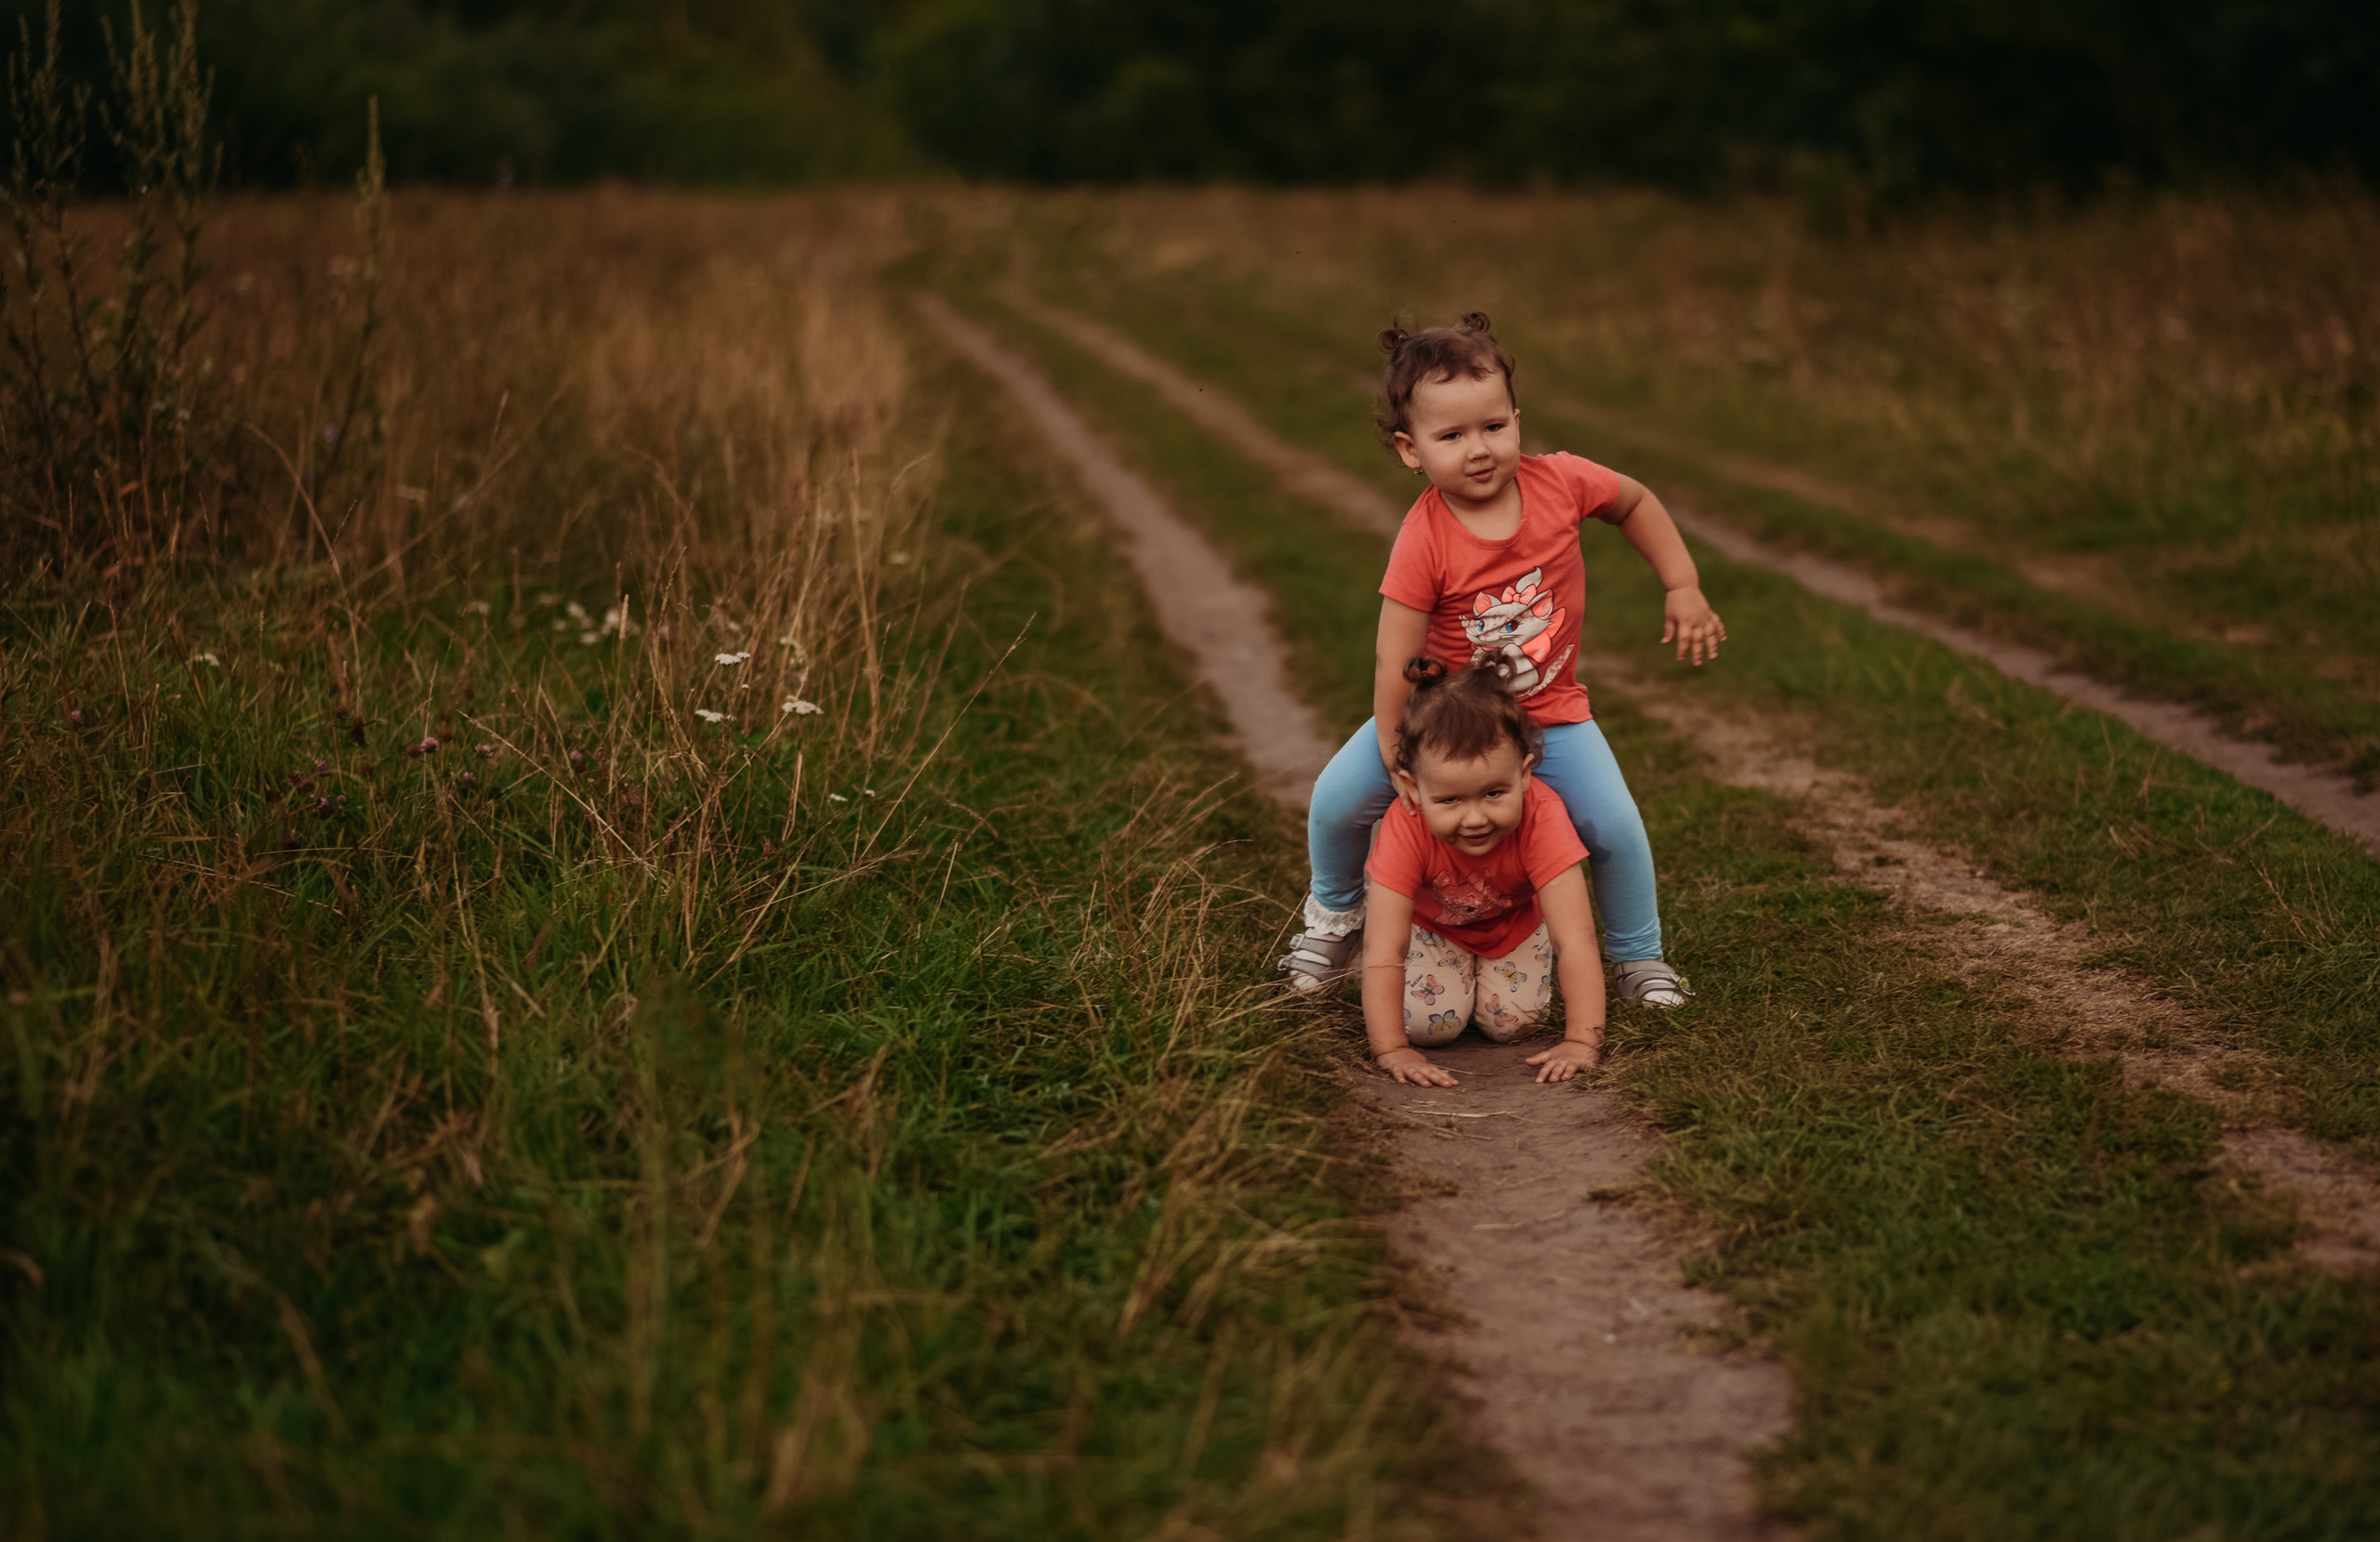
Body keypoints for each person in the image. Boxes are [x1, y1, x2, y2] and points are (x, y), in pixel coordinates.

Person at [1280, 311, 1725, 1008]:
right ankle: (1336, 917)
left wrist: (1683, 583)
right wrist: (1400, 750)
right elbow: (1394, 656)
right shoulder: (1424, 537)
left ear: (1517, 418)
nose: (1479, 448)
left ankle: (1640, 960)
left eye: (1493, 426)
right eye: (1451, 436)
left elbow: (1634, 501)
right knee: (1337, 802)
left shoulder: (1563, 483)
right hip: (1443, 723)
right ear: (1411, 449)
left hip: (1551, 712)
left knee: (1613, 826)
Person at [1361, 659, 1604, 1087]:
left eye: (1494, 793)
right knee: (1428, 1027)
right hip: (1432, 928)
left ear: (1524, 775)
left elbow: (1576, 936)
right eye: (1451, 800)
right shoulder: (1406, 822)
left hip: (1513, 927)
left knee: (1514, 1025)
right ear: (1414, 789)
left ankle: (1481, 985)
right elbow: (1385, 946)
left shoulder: (1542, 816)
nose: (1475, 818)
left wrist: (1582, 1041)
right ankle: (1449, 984)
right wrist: (1392, 1048)